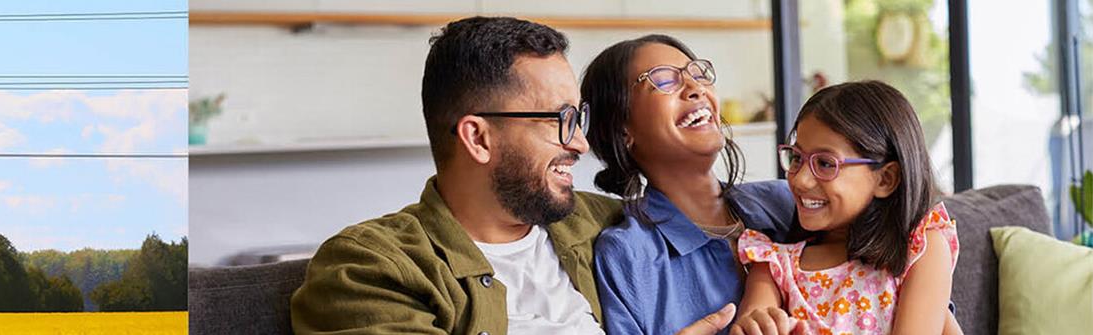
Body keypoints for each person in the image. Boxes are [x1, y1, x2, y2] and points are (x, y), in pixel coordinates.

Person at [289, 17, 736, 335]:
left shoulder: (610, 226)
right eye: (558, 120)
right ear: (478, 139)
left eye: (576, 117)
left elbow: (750, 228)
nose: (580, 143)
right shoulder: (369, 268)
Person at [580, 34, 808, 335]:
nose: (696, 89)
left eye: (697, 73)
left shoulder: (787, 201)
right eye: (664, 80)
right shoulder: (629, 255)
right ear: (622, 130)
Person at [732, 81, 962, 335]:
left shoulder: (920, 248)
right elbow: (753, 322)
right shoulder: (773, 263)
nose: (799, 179)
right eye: (797, 157)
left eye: (826, 164)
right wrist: (756, 326)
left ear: (885, 179)